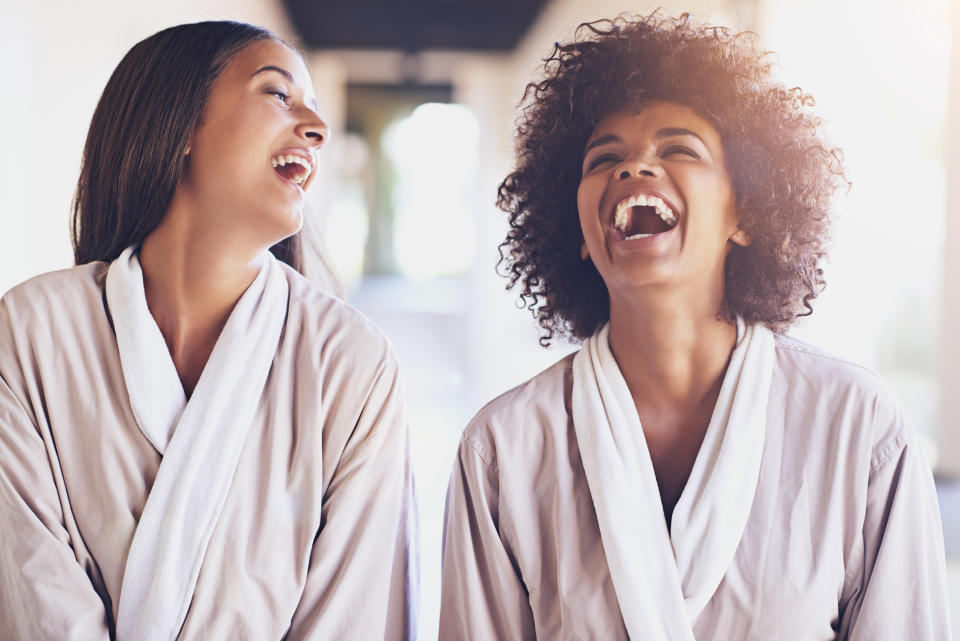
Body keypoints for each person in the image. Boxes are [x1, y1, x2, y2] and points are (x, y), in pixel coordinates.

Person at [439, 13, 951, 640]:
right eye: (606, 158)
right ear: (577, 233)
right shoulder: (503, 451)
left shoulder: (858, 429)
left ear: (747, 214)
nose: (633, 170)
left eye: (679, 149)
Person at [0, 21, 416, 641]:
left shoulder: (352, 365)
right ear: (180, 123)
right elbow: (33, 599)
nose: (318, 129)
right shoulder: (32, 331)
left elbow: (352, 616)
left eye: (315, 109)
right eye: (278, 94)